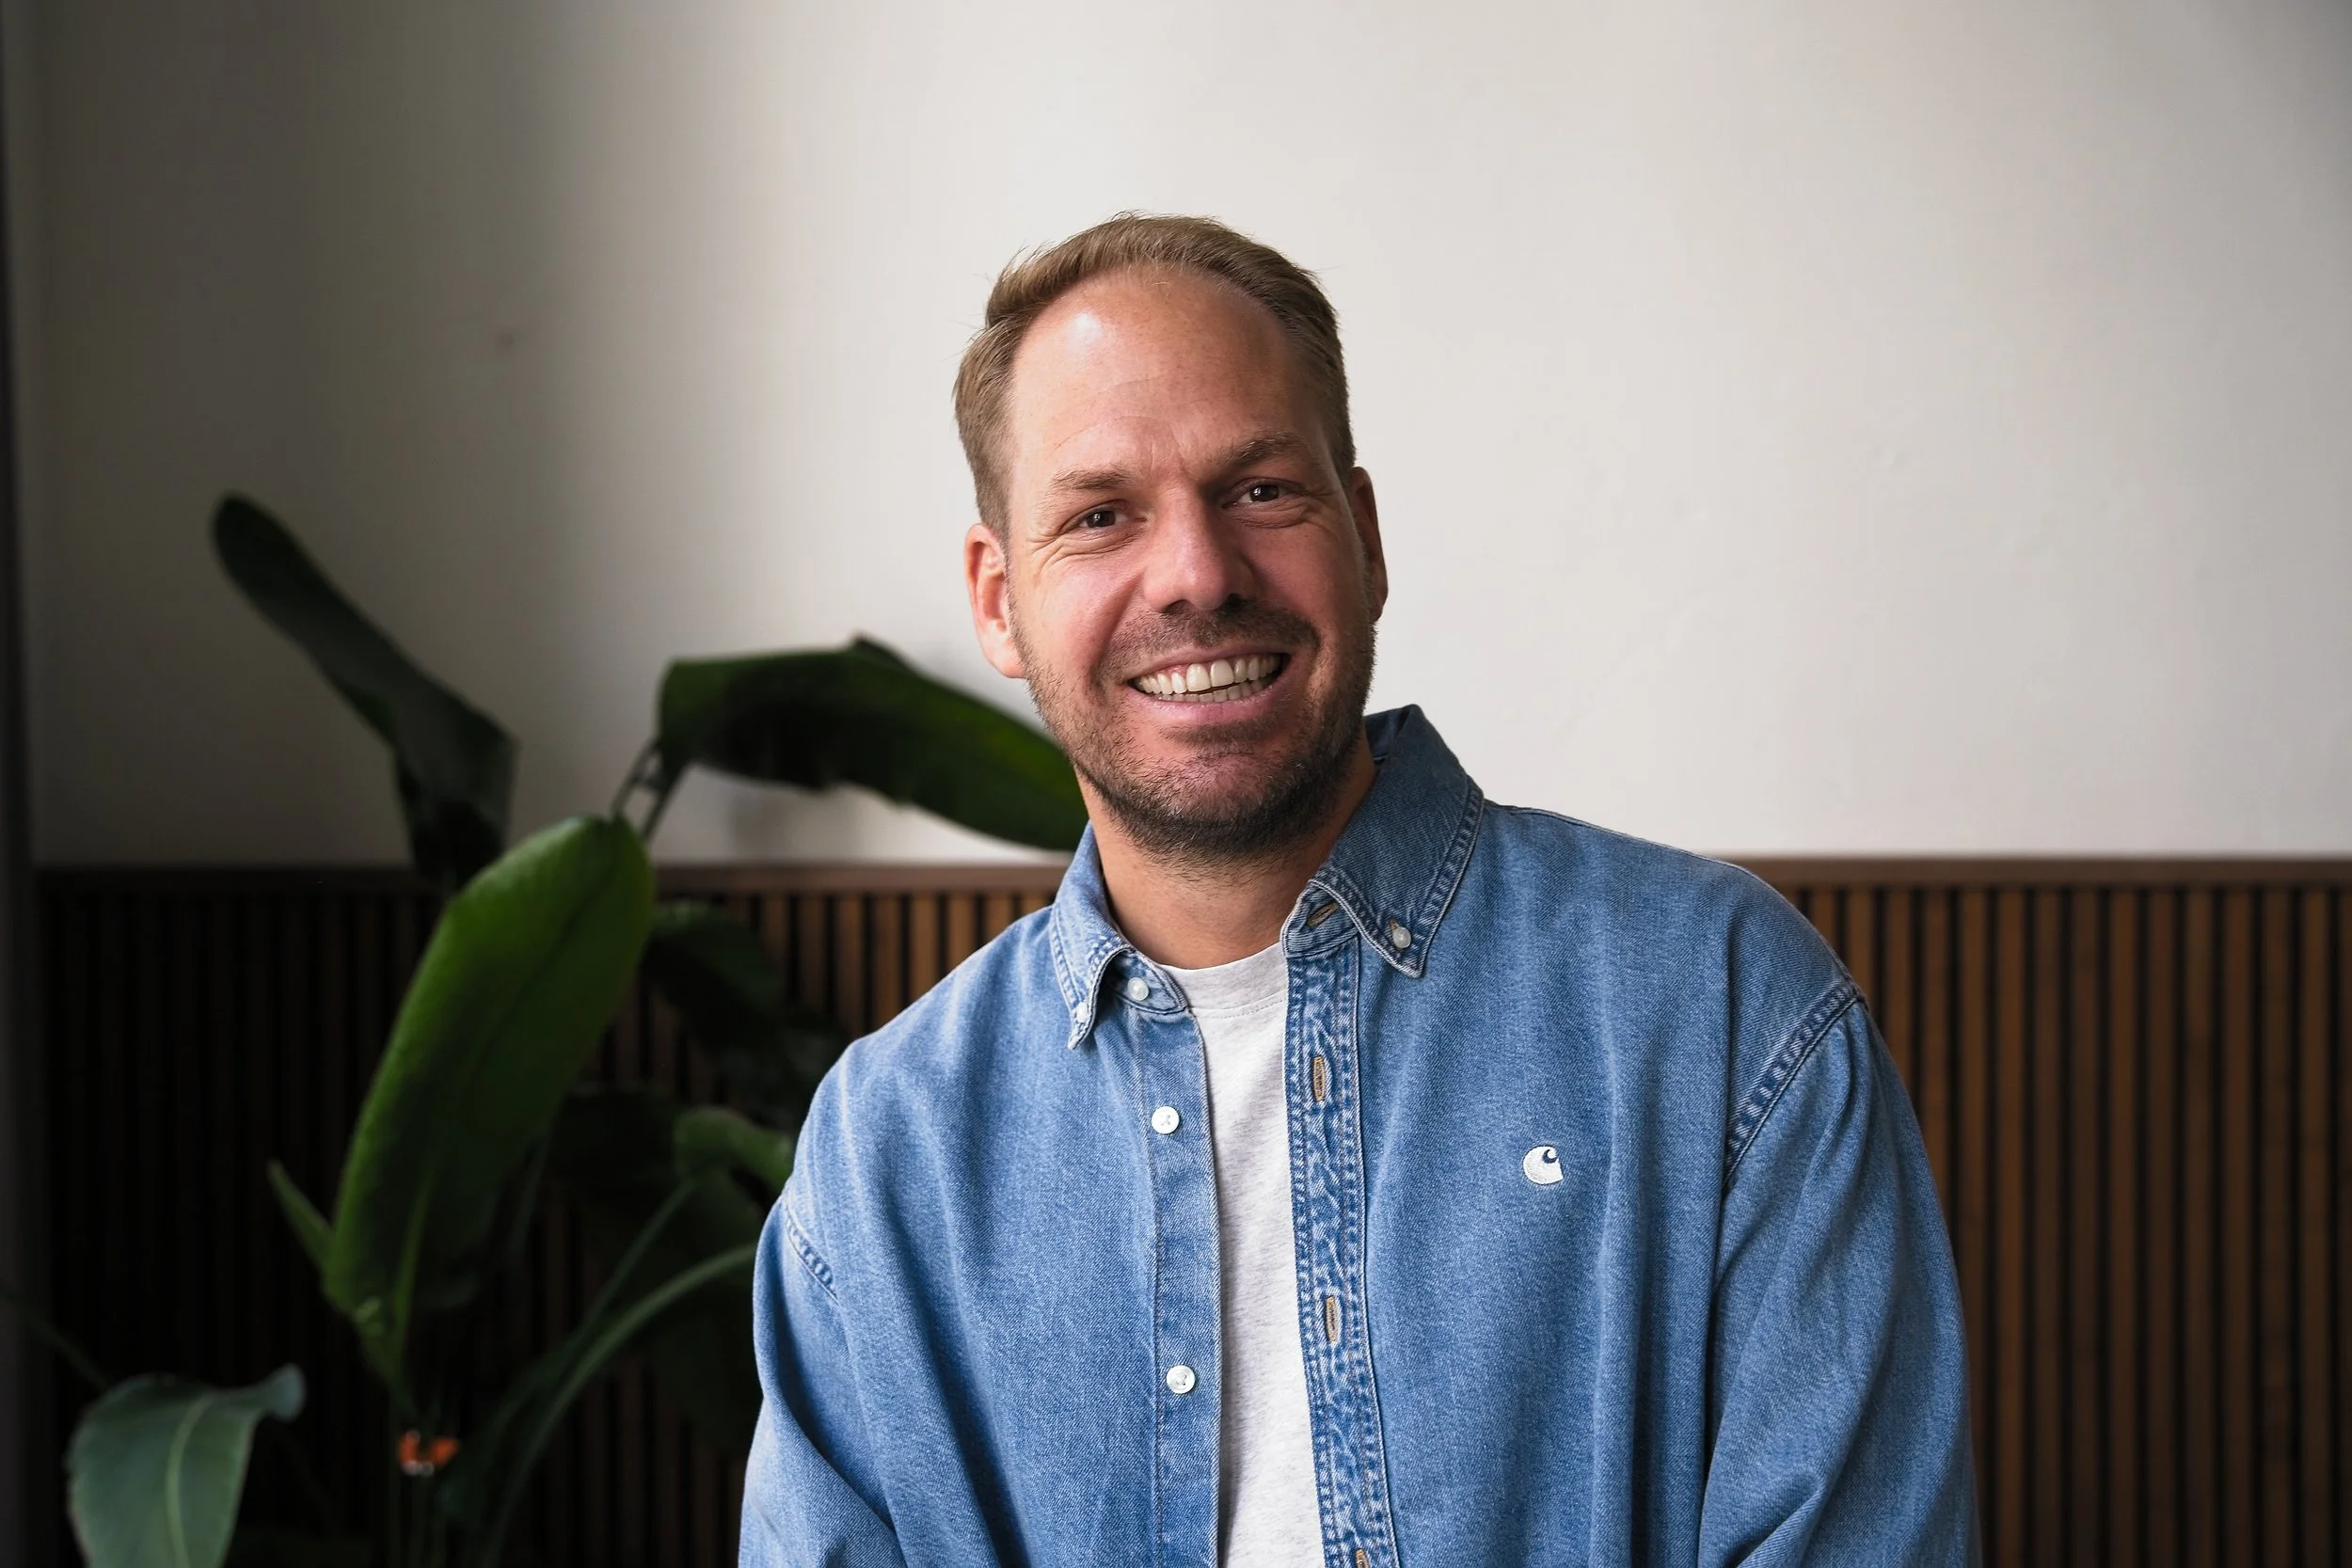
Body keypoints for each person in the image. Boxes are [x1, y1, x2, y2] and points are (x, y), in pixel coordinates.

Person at [739, 214, 1979, 1566]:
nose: (1200, 574)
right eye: (1101, 516)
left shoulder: (1725, 1009)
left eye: (1263, 489)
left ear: (1366, 535)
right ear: (998, 602)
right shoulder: (884, 1156)